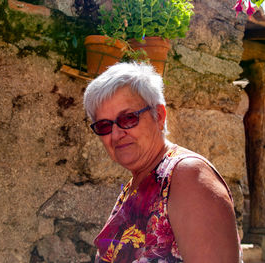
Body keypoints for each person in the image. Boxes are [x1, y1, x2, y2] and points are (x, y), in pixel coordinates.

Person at [83, 62, 242, 263]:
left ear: (158, 116)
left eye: (128, 118)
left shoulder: (186, 176)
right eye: (104, 125)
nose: (116, 134)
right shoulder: (136, 185)